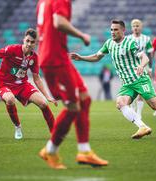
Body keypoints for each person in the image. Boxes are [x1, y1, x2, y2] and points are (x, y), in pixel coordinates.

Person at [71, 19, 156, 139]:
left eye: (116, 30)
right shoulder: (109, 44)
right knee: (120, 103)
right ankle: (142, 127)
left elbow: (145, 57)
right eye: (111, 30)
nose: (113, 32)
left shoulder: (130, 43)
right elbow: (97, 56)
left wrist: (141, 66)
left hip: (140, 80)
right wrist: (81, 57)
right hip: (127, 84)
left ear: (123, 31)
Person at [36, 0, 108, 169]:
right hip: (54, 60)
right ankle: (50, 150)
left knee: (85, 99)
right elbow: (59, 23)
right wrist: (82, 35)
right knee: (73, 107)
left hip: (60, 57)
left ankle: (84, 151)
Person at [0, 28, 56, 140]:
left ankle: (55, 133)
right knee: (10, 99)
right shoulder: (12, 49)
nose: (29, 44)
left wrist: (47, 96)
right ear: (24, 40)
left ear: (36, 44)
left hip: (22, 85)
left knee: (43, 103)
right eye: (27, 41)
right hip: (4, 84)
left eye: (32, 42)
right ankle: (18, 126)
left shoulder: (34, 58)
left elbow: (37, 78)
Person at [127, 19, 154, 119]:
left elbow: (150, 54)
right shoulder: (128, 39)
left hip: (143, 66)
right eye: (134, 25)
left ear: (141, 27)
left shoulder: (146, 39)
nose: (135, 27)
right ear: (131, 27)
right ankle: (133, 108)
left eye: (137, 25)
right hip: (132, 66)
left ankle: (139, 112)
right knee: (133, 88)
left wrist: (150, 68)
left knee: (141, 89)